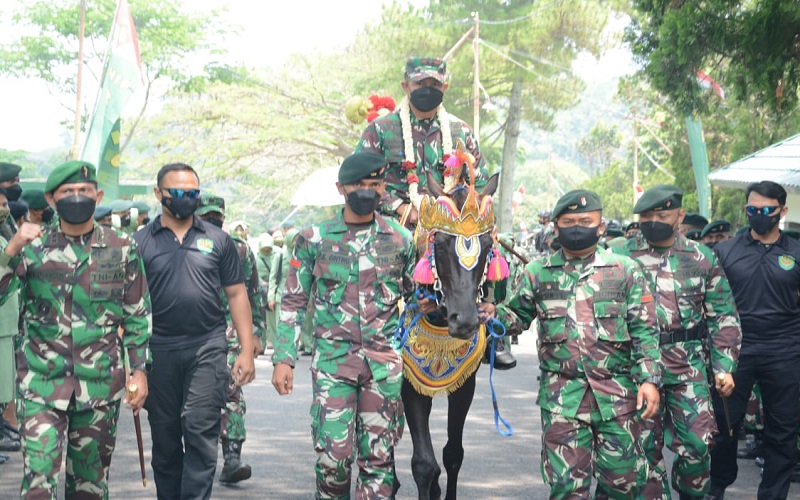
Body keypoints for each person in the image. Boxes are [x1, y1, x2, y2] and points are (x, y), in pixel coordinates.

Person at [486, 189, 661, 498]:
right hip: (561, 400)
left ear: (601, 226)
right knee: (566, 488)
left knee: (623, 484)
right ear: (556, 227)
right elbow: (515, 316)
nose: (577, 227)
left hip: (617, 397)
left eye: (585, 220)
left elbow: (644, 329)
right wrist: (489, 314)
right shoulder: (537, 273)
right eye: (568, 221)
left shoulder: (625, 271)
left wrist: (649, 379)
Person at [0, 160, 151, 498]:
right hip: (41, 385)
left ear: (97, 196)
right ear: (52, 200)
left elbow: (136, 312)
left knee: (89, 487)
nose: (77, 197)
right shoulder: (32, 247)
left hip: (99, 385)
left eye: (84, 191)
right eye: (68, 192)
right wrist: (10, 249)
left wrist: (139, 371)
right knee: (38, 482)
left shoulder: (122, 246)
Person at [272, 152, 415, 499]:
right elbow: (292, 300)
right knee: (333, 462)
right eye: (358, 185)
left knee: (378, 463)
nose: (366, 191)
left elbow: (416, 299)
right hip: (334, 366)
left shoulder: (400, 239)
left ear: (383, 188)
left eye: (374, 184)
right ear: (341, 188)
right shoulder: (314, 239)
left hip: (383, 369)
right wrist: (284, 358)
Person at [610, 185, 741, 499]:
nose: (653, 220)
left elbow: (723, 316)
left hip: (687, 367)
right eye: (647, 215)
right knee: (641, 452)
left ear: (680, 215)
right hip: (635, 369)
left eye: (662, 214)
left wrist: (725, 366)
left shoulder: (701, 257)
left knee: (698, 445)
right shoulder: (619, 256)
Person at [133, 163, 255, 500]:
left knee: (201, 432)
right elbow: (126, 304)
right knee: (167, 439)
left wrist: (246, 349)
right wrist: (133, 365)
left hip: (208, 348)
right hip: (159, 351)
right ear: (159, 194)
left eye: (193, 193)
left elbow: (236, 293)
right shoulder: (139, 243)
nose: (187, 199)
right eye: (179, 193)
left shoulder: (218, 240)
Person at [707, 180, 800, 499]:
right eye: (752, 210)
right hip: (735, 353)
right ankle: (716, 485)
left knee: (782, 431)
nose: (758, 215)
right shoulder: (725, 250)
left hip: (785, 351)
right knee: (722, 424)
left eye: (766, 210)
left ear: (782, 211)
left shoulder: (796, 251)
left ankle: (772, 494)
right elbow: (710, 303)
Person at [355, 56, 489, 227]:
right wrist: (401, 208)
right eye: (420, 84)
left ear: (445, 88)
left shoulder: (461, 132)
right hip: (391, 231)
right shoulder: (380, 130)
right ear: (405, 86)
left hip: (451, 234)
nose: (427, 90)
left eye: (435, 85)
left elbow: (480, 185)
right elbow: (359, 179)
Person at [196, 193, 266, 484]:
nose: (213, 220)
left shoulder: (238, 249)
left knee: (232, 392)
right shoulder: (185, 246)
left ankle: (232, 458)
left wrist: (257, 332)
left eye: (217, 216)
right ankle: (199, 457)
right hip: (194, 333)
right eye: (208, 215)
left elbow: (252, 292)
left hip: (231, 332)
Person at [268, 228, 300, 351]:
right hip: (281, 295)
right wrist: (271, 297)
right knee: (280, 324)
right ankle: (279, 350)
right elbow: (273, 277)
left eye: (298, 239)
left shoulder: (300, 256)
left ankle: (292, 350)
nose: (296, 241)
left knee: (294, 324)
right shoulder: (280, 256)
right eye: (294, 239)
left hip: (296, 296)